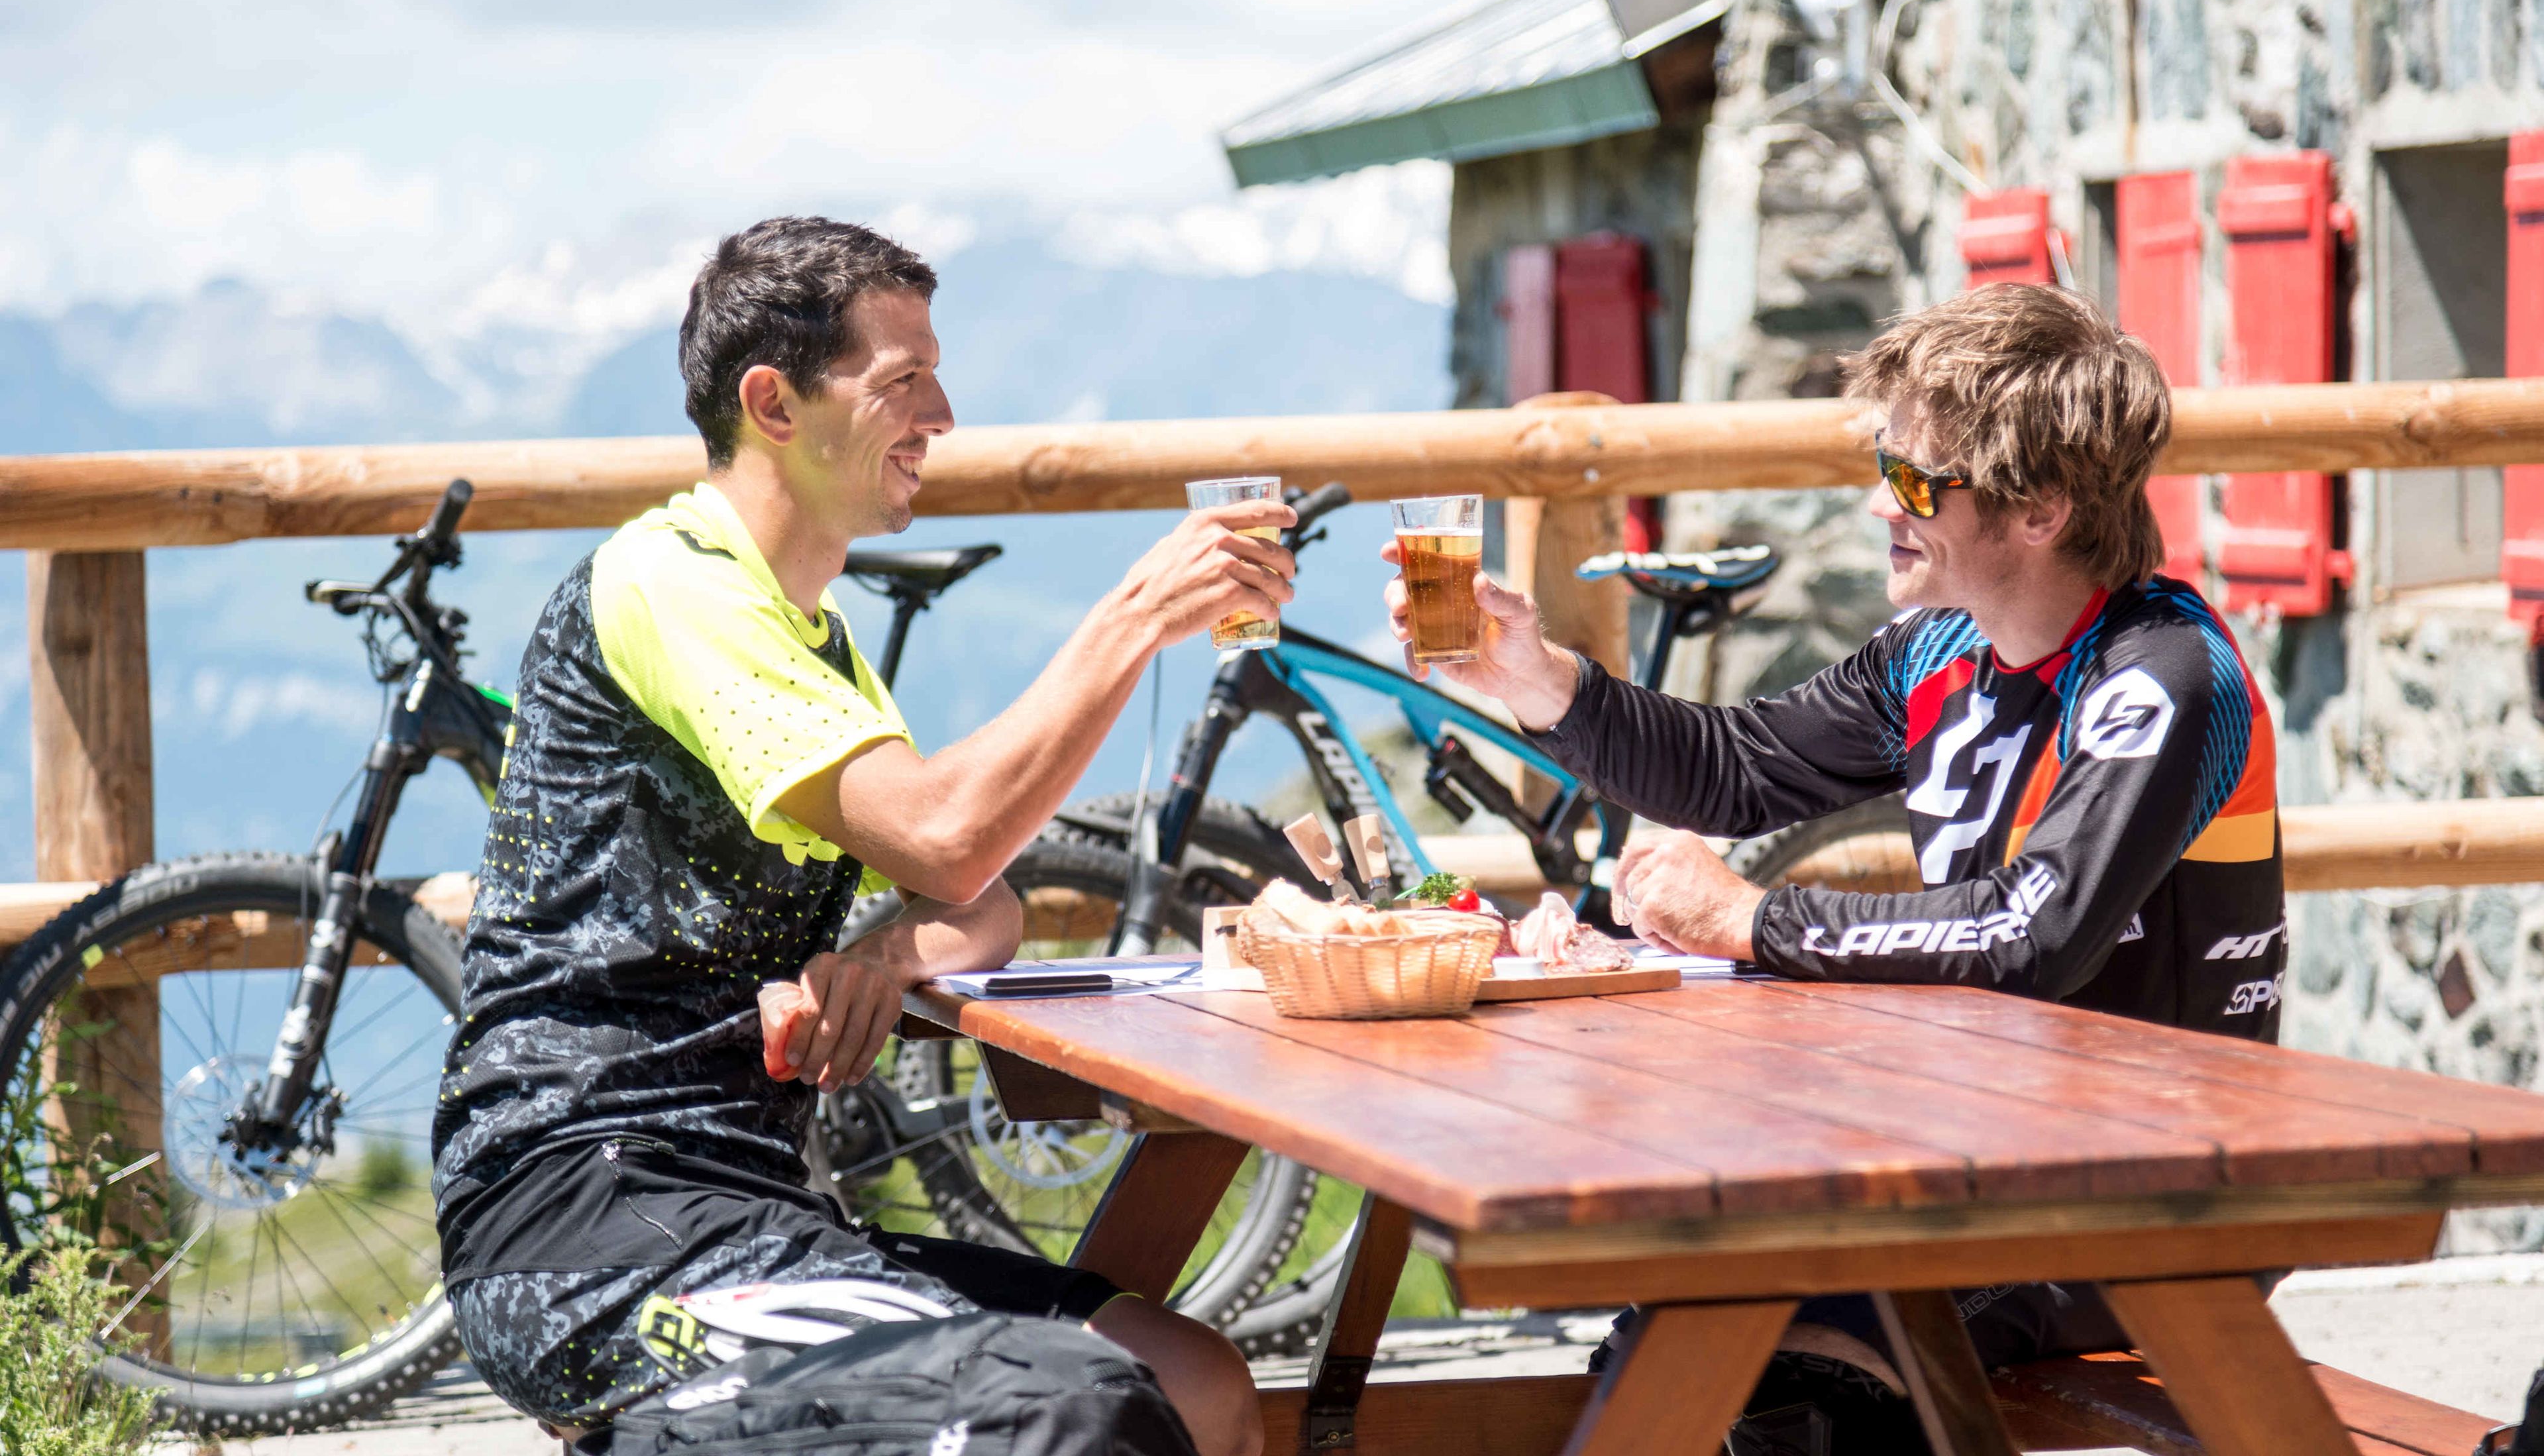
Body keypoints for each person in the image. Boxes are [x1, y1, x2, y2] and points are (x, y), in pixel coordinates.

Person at [431, 217, 1283, 1456]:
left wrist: (886, 954)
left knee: (1194, 1381)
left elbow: (978, 894)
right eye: (902, 379)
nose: (942, 411)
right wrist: (1133, 618)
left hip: (748, 1199)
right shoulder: (672, 583)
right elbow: (947, 835)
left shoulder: (808, 643)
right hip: (586, 1217)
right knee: (1072, 1411)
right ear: (772, 403)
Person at [1384, 284, 2284, 1449]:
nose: (1878, 503)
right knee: (1688, 1322)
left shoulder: (2165, 676)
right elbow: (1735, 767)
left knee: (1753, 1356)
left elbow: (2033, 937)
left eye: (1914, 482)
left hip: (2157, 1195)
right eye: (1884, 463)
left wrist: (1751, 918)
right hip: (1994, 1159)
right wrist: (1537, 681)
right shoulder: (1939, 649)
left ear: (2043, 511)